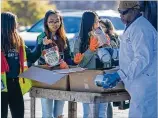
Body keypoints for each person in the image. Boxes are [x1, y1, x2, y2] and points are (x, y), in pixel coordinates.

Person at [96, 1, 157, 118]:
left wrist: (120, 75)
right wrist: (114, 52)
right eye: (119, 12)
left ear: (135, 10)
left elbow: (142, 58)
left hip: (145, 85)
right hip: (138, 84)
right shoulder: (132, 25)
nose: (121, 16)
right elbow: (130, 53)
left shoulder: (141, 29)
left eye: (124, 13)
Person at [1, 12, 43, 118]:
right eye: (15, 23)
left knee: (19, 115)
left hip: (16, 84)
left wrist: (40, 44)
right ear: (9, 24)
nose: (17, 25)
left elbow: (32, 57)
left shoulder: (18, 41)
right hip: (2, 87)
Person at [73, 11, 112, 118]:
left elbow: (109, 60)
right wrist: (90, 49)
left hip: (103, 77)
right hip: (87, 80)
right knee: (88, 113)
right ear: (89, 23)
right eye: (95, 22)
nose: (98, 24)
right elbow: (81, 63)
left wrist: (108, 46)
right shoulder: (79, 40)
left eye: (98, 21)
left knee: (102, 113)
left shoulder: (101, 34)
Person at [37, 10, 73, 118]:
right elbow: (38, 57)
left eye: (57, 21)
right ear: (46, 23)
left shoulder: (64, 38)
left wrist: (75, 61)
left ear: (61, 22)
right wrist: (44, 46)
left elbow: (68, 58)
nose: (54, 24)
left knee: (59, 114)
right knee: (47, 114)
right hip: (46, 77)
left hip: (61, 78)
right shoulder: (41, 37)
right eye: (51, 21)